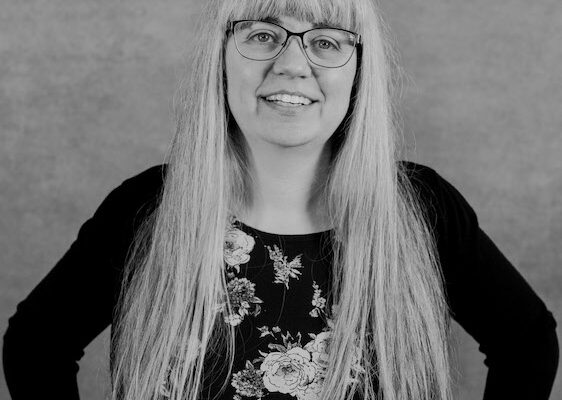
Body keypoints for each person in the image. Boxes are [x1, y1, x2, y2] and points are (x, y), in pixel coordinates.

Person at [3, 0, 559, 399]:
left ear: (360, 71)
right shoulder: (149, 208)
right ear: (222, 56)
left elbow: (528, 342)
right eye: (263, 34)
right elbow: (36, 346)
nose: (292, 65)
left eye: (326, 41)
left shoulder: (419, 209)